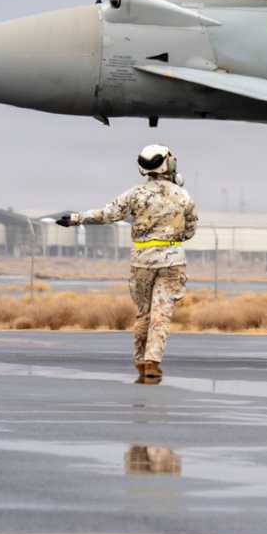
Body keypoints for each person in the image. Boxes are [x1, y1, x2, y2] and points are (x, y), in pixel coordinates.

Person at [56, 144, 198, 384]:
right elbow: (190, 230)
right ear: (167, 164)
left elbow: (107, 214)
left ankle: (141, 361)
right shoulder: (183, 196)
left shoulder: (135, 194)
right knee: (161, 314)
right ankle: (153, 361)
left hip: (141, 261)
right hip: (172, 261)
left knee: (144, 312)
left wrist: (76, 219)